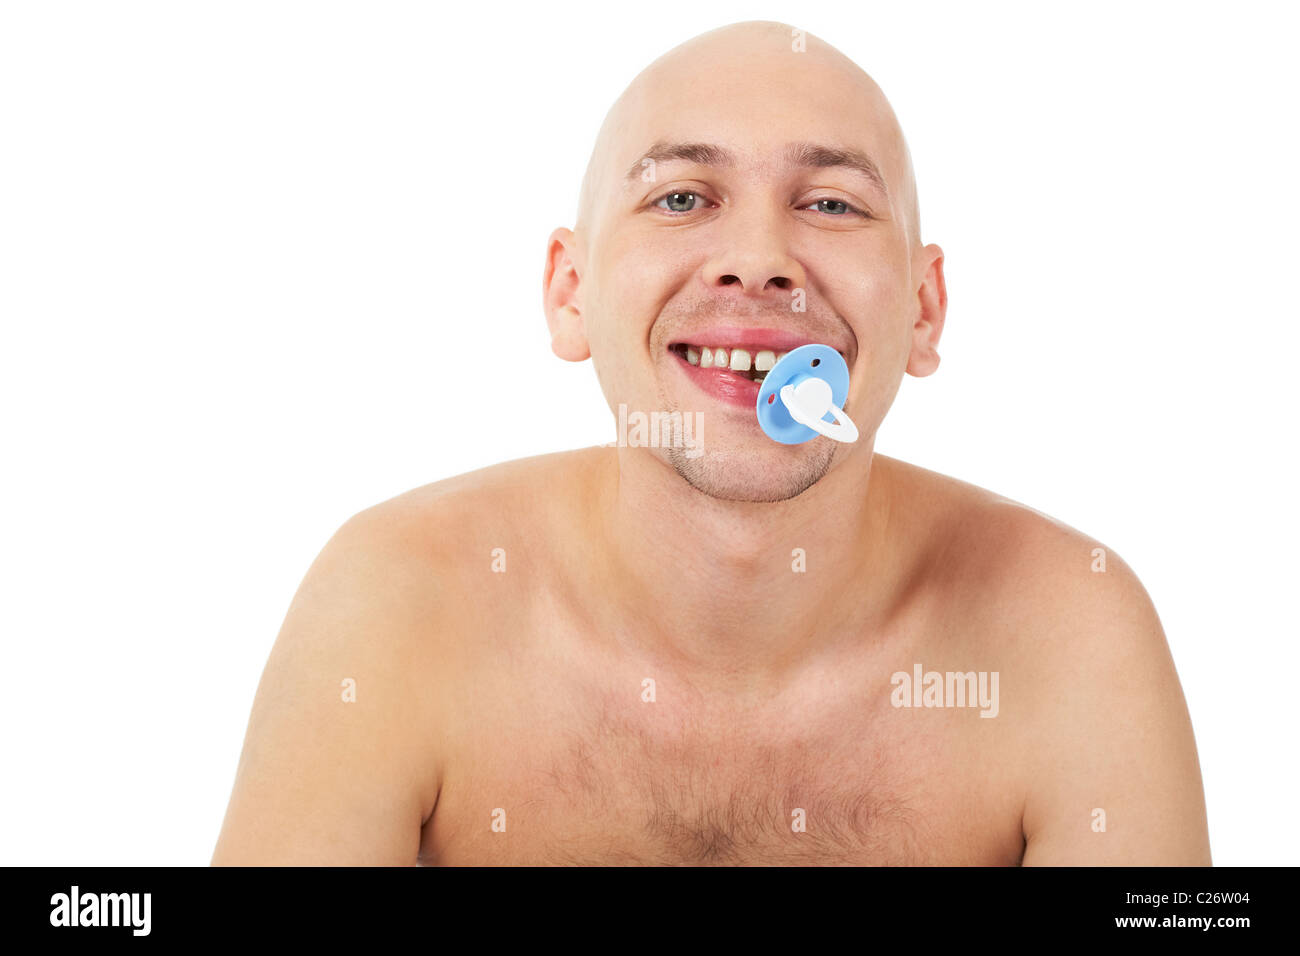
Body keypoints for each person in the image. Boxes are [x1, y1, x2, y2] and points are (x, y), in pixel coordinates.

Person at [212, 20, 1211, 865]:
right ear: (570, 293)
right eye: (682, 196)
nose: (758, 261)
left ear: (922, 308)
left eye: (829, 204)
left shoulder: (1072, 634)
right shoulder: (394, 600)